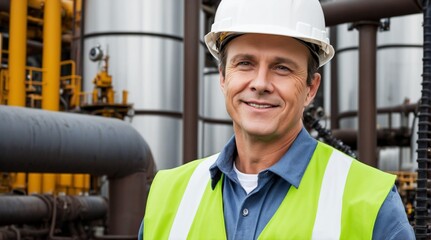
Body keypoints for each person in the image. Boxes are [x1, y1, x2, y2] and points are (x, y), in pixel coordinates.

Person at [139, 0, 415, 239]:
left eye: (282, 67)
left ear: (311, 88)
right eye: (245, 63)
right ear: (223, 78)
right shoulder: (168, 195)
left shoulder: (371, 201)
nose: (260, 83)